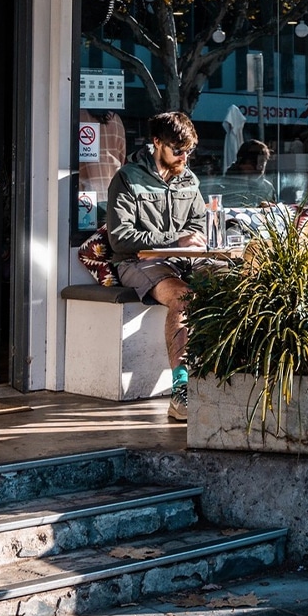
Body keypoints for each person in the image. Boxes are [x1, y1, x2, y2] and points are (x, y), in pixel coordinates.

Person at [107, 112, 207, 423]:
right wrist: (175, 240)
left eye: (189, 150)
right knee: (184, 297)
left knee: (234, 282)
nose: (184, 157)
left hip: (180, 260)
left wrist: (188, 244)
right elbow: (121, 238)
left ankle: (221, 376)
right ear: (157, 143)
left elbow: (199, 223)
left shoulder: (189, 180)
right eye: (178, 150)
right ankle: (181, 390)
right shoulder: (127, 178)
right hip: (137, 261)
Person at [223, 139, 276, 206]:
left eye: (262, 161)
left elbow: (273, 214)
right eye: (253, 162)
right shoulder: (225, 185)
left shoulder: (267, 188)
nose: (259, 167)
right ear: (241, 163)